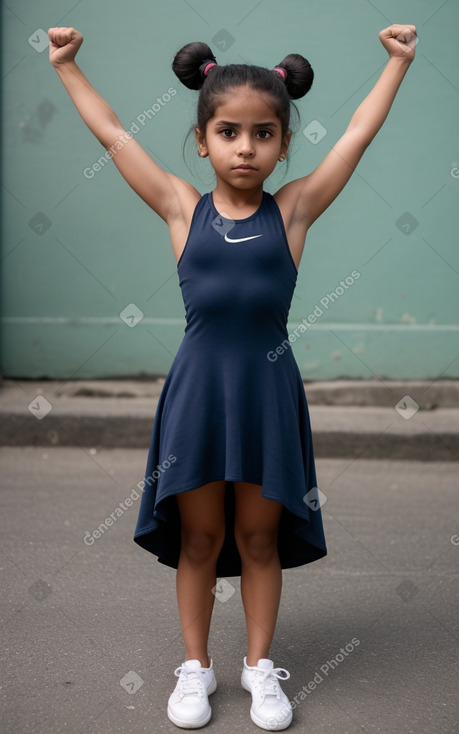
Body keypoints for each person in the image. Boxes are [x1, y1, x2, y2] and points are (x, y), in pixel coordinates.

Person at [48, 23, 417, 730]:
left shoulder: (293, 211)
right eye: (227, 132)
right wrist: (66, 66)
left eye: (262, 133)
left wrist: (396, 64)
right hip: (196, 398)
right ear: (201, 140)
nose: (244, 147)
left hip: (266, 396)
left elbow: (356, 138)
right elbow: (113, 135)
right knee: (198, 539)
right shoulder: (181, 208)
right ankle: (195, 669)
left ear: (281, 142)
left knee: (256, 539)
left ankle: (257, 669)